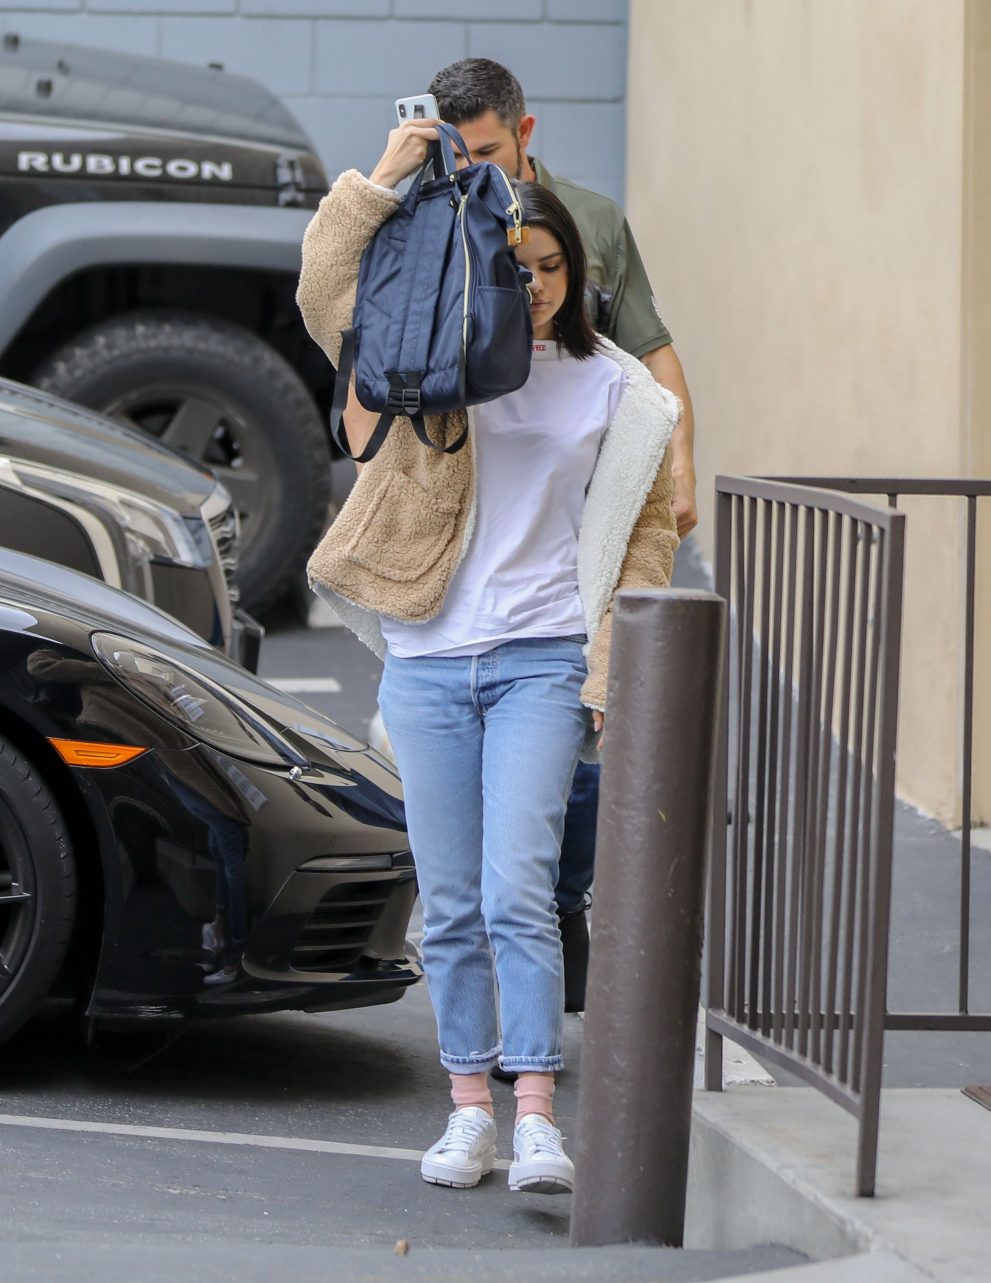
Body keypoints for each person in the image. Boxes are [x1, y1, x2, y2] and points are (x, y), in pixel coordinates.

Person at [296, 122, 681, 1193]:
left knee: (522, 890)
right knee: (454, 900)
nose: (538, 286)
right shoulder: (431, 352)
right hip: (429, 656)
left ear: (577, 273)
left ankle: (537, 1115)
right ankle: (467, 1109)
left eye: (554, 267)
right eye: (520, 266)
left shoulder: (617, 392)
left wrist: (607, 667)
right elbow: (324, 293)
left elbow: (646, 537)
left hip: (541, 659)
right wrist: (383, 178)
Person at [428, 57, 697, 1012]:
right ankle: (516, 964)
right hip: (474, 550)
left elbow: (651, 354)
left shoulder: (590, 221)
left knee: (569, 759)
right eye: (456, 153)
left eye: (486, 150)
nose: (471, 168)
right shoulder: (432, 221)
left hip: (576, 527)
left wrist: (678, 464)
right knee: (475, 815)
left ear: (524, 133)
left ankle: (561, 905)